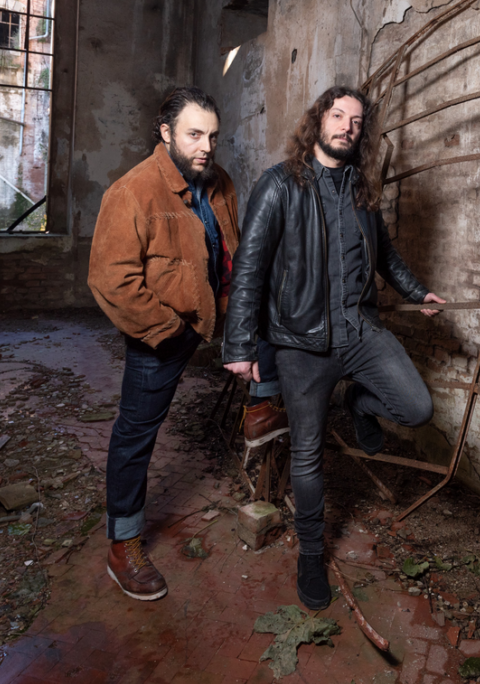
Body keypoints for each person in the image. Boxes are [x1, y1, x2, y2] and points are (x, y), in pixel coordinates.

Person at [223, 86, 445, 611]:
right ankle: (310, 556)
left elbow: (385, 255)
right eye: (338, 115)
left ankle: (357, 401)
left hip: (360, 330)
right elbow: (249, 268)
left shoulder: (361, 188)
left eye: (356, 120)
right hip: (301, 343)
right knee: (308, 454)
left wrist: (418, 292)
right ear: (318, 120)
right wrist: (240, 345)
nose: (347, 126)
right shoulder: (279, 184)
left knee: (417, 407)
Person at [87, 86, 286, 601]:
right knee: (135, 435)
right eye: (194, 135)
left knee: (278, 314)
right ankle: (123, 544)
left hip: (220, 311)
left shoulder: (220, 182)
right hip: (165, 329)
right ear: (165, 132)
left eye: (213, 136)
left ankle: (260, 408)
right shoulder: (132, 191)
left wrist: (242, 308)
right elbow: (111, 281)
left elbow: (233, 250)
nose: (206, 147)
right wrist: (168, 330)